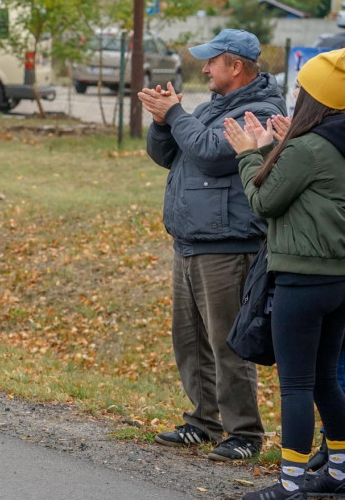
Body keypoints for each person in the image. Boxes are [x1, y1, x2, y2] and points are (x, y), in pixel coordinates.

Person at [139, 28, 284, 461]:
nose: (204, 70)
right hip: (191, 238)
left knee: (227, 343)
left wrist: (176, 114)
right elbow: (167, 155)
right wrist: (162, 122)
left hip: (228, 244)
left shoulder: (261, 111)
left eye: (211, 62)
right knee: (189, 340)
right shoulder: (209, 108)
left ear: (236, 66)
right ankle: (203, 422)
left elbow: (210, 153)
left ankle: (244, 433)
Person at [221, 45, 345, 500]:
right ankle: (340, 473)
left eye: (300, 87)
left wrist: (248, 154)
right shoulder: (340, 142)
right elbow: (303, 191)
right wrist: (275, 148)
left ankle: (290, 485)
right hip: (342, 280)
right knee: (325, 379)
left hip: (302, 280)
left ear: (315, 97)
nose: (294, 93)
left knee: (296, 385)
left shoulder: (308, 149)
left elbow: (264, 201)